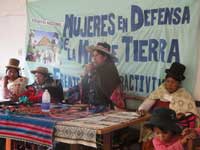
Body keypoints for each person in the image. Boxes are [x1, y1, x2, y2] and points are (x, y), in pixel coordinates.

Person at [85, 42, 121, 112]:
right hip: (95, 106)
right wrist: (87, 73)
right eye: (93, 56)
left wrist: (92, 69)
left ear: (104, 57)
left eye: (96, 55)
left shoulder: (108, 67)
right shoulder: (97, 68)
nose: (94, 58)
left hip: (105, 108)